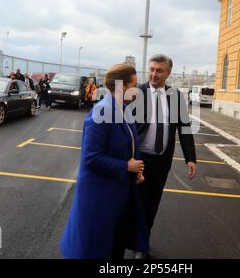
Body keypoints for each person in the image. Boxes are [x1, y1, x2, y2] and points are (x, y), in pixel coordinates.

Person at [60, 64, 149, 259]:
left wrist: (136, 170)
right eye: (135, 84)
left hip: (116, 194)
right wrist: (127, 166)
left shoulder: (123, 109)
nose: (138, 89)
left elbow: (130, 143)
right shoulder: (101, 112)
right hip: (99, 196)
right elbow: (91, 157)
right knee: (96, 248)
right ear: (122, 87)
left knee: (114, 245)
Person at [134, 54, 197, 259]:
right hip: (138, 159)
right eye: (151, 69)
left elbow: (185, 129)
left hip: (161, 161)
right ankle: (134, 243)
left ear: (168, 73)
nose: (154, 74)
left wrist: (191, 159)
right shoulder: (136, 93)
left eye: (159, 70)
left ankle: (143, 243)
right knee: (136, 203)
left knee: (152, 203)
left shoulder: (176, 96)